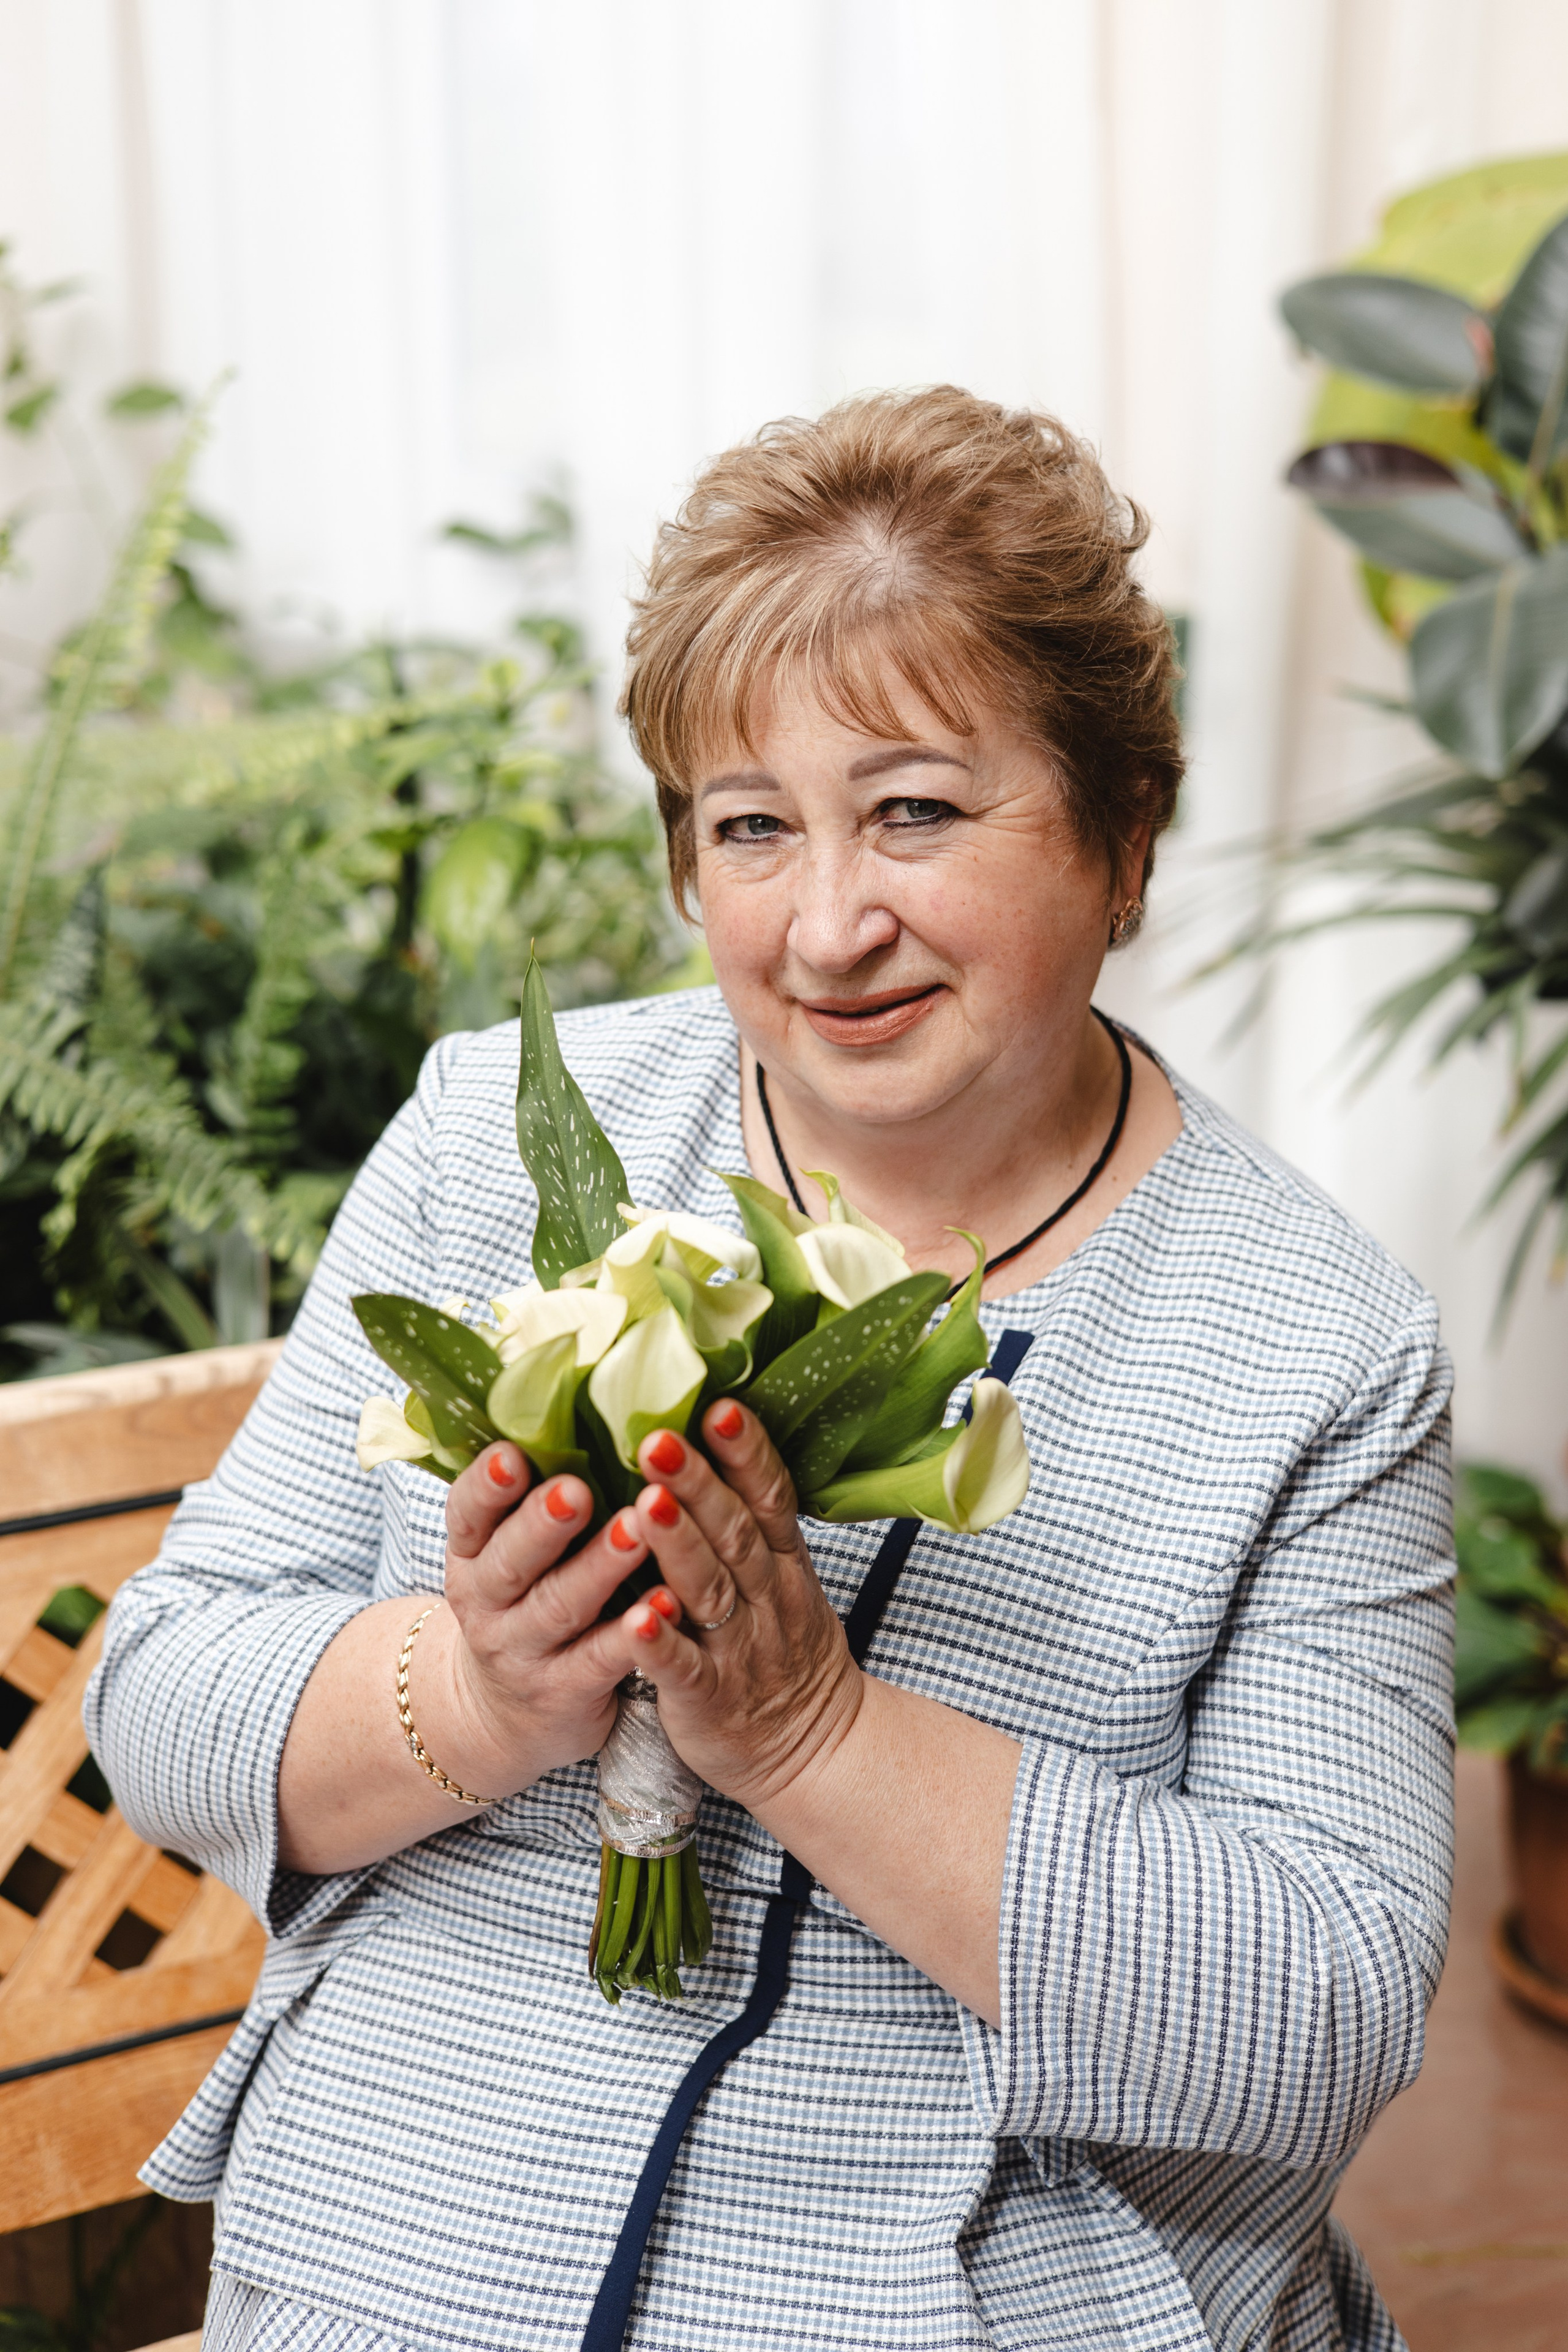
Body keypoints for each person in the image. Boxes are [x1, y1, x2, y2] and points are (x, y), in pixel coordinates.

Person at [87, 388, 1453, 2352]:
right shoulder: (498, 1140)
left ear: (1121, 832)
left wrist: (812, 1735)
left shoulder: (1316, 1344)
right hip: (394, 2252)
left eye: (915, 809)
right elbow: (165, 1691)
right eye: (750, 828)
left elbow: (1319, 2010)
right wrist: (476, 1690)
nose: (827, 927)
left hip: (978, 2292)